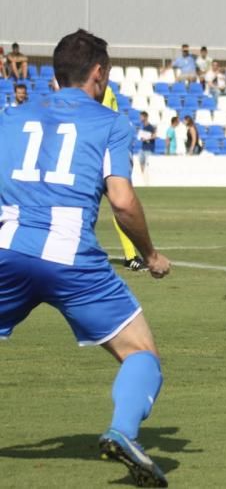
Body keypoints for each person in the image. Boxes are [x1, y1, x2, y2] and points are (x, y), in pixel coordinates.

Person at [0, 29, 172, 486]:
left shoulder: (11, 117)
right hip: (73, 259)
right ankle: (122, 431)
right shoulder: (110, 122)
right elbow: (121, 201)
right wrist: (150, 254)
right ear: (98, 73)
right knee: (141, 353)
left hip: (9, 249)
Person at [102, 86, 146, 273]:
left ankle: (130, 256)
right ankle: (130, 256)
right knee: (120, 203)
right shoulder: (101, 89)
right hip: (102, 154)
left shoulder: (104, 90)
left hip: (99, 152)